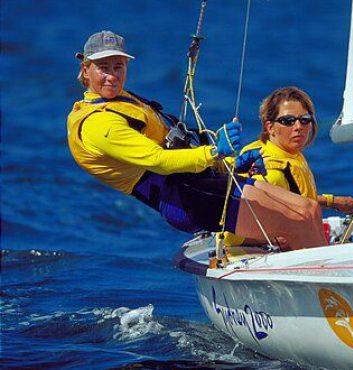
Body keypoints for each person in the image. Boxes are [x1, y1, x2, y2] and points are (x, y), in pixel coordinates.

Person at [67, 30, 326, 250]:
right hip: (186, 198)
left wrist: (230, 164)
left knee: (308, 210)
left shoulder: (121, 100)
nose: (112, 75)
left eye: (118, 66)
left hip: (201, 180)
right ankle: (325, 292)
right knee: (294, 222)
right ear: (86, 70)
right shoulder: (98, 123)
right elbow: (158, 160)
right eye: (103, 67)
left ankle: (328, 279)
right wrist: (214, 152)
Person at [237, 86, 353, 213]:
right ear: (270, 127)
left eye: (304, 120)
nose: (298, 126)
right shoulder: (270, 171)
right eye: (288, 121)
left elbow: (292, 197)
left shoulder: (286, 152)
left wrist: (331, 201)